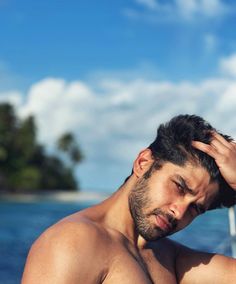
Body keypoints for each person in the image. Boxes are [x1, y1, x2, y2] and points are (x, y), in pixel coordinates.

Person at [22, 114, 236, 283]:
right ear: (143, 163)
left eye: (195, 209)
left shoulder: (170, 259)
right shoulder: (75, 242)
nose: (179, 212)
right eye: (179, 186)